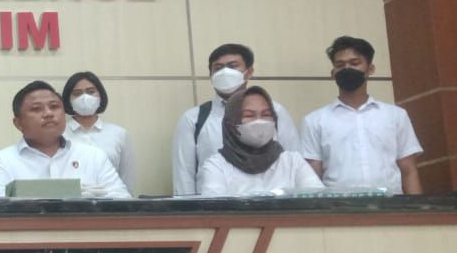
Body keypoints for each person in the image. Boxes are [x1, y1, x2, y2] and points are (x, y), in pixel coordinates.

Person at [171, 43, 300, 196]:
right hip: (214, 206)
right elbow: (184, 175)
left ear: (249, 72)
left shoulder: (275, 112)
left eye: (233, 66)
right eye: (218, 68)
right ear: (210, 75)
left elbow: (294, 163)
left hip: (273, 205)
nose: (225, 72)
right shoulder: (194, 119)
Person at [300, 35, 422, 194]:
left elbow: (409, 171)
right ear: (333, 73)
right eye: (340, 65)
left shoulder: (396, 116)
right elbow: (313, 176)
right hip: (338, 206)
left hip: (390, 204)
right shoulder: (314, 121)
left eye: (355, 63)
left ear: (370, 69)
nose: (347, 69)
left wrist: (416, 207)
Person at [0, 80, 130, 199]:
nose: (48, 113)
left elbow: (124, 203)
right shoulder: (0, 162)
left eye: (54, 106)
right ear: (18, 123)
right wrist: (71, 194)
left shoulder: (93, 156)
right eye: (36, 109)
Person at [197, 87, 325, 196]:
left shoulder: (293, 162)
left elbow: (317, 201)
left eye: (266, 114)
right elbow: (216, 211)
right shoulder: (216, 166)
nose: (259, 121)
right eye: (249, 115)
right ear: (231, 123)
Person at [61, 71, 136, 194]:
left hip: (111, 202)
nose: (85, 98)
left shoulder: (119, 134)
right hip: (70, 201)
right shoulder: (59, 134)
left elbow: (127, 180)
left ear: (100, 96)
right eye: (77, 94)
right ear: (68, 100)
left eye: (91, 92)